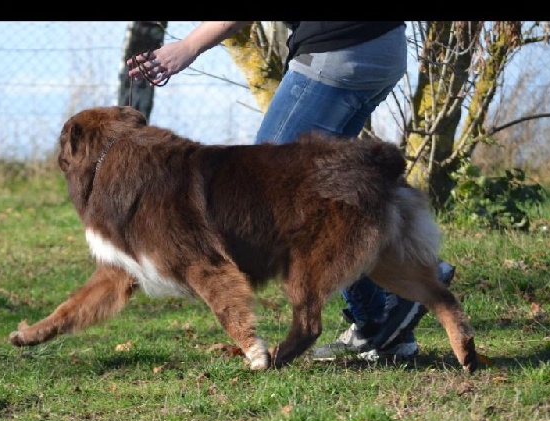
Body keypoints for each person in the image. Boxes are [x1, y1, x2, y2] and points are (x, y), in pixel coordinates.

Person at [127, 21, 455, 362]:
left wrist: (187, 46)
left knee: (268, 183)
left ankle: (398, 290)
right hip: (382, 48)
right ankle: (382, 323)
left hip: (335, 53)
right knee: (338, 188)